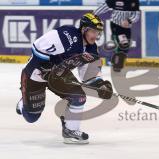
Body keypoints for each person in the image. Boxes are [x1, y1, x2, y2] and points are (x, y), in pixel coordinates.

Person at [16, 13, 113, 144]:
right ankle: (23, 103)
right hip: (36, 73)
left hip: (59, 74)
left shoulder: (91, 49)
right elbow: (38, 46)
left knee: (79, 96)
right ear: (84, 29)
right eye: (93, 31)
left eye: (98, 32)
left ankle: (70, 130)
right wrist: (45, 66)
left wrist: (101, 86)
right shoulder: (68, 34)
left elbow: (89, 74)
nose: (96, 35)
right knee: (32, 117)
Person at [92, 0, 140, 72]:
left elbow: (136, 15)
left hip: (127, 27)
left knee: (125, 47)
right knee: (124, 44)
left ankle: (116, 62)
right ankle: (117, 65)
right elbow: (105, 6)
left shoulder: (134, 1)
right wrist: (93, 14)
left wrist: (129, 21)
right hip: (116, 25)